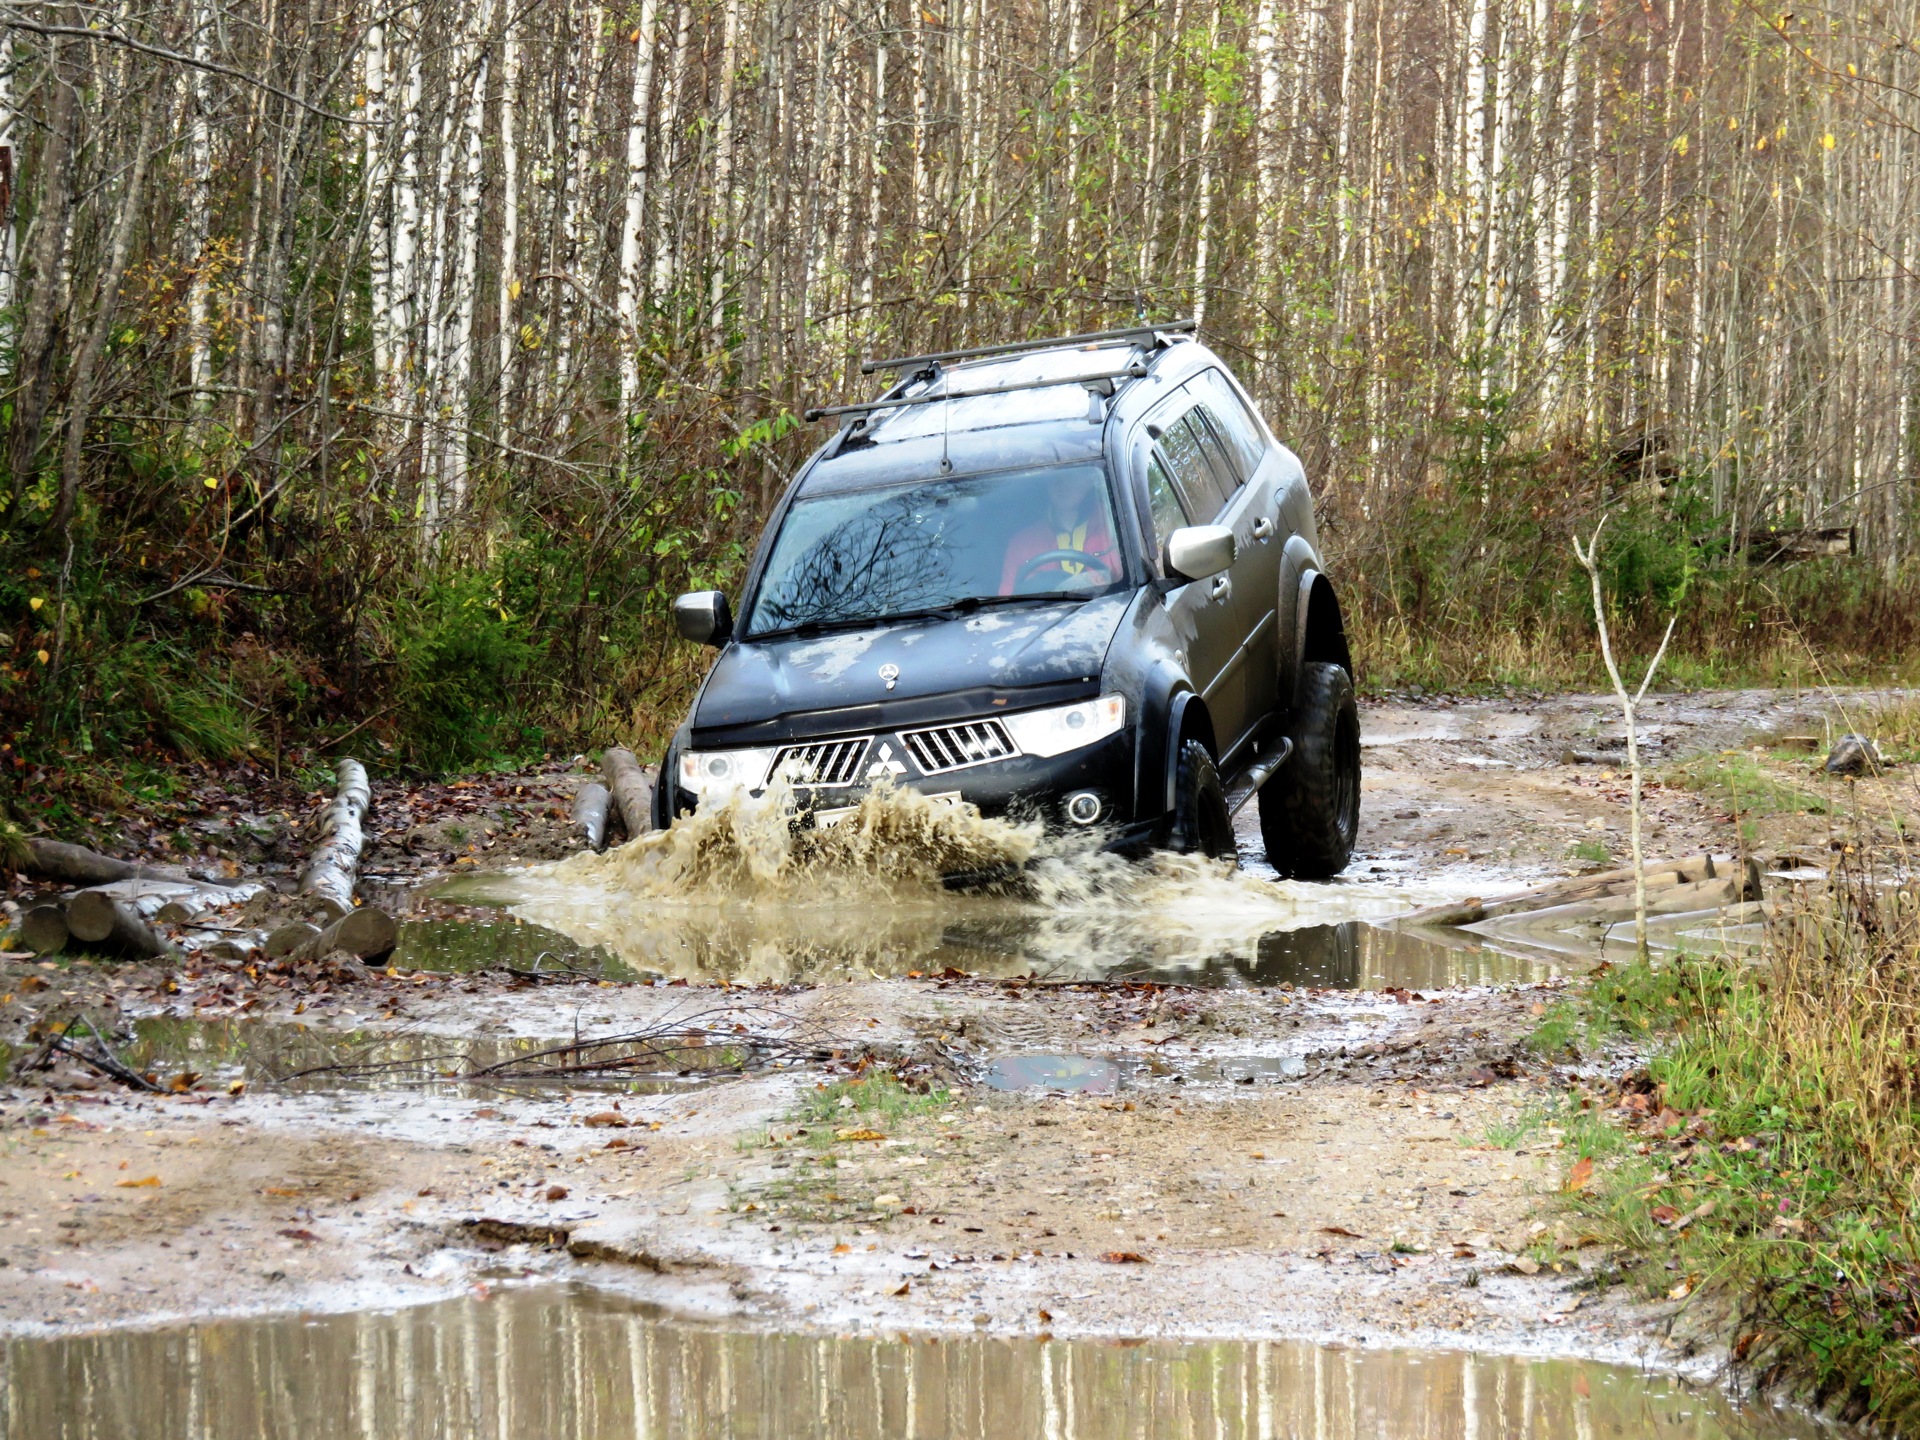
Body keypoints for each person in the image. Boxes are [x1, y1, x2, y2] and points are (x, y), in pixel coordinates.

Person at [999, 469, 1120, 594]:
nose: (1061, 484)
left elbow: (1129, 587)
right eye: (1054, 477)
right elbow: (1009, 599)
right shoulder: (1022, 542)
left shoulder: (1115, 525)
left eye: (1071, 475)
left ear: (1090, 480)